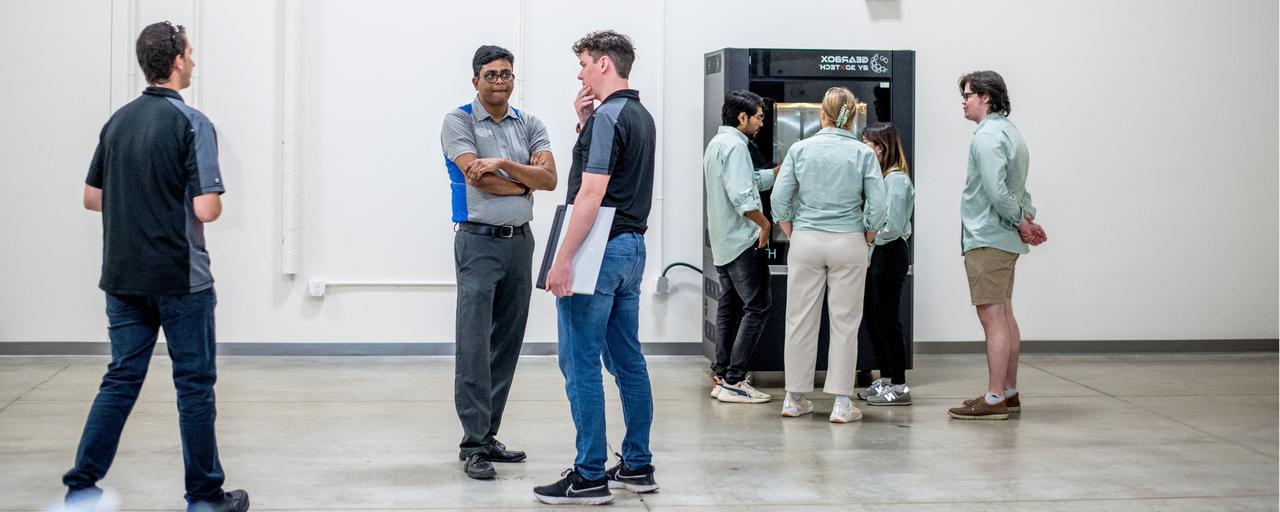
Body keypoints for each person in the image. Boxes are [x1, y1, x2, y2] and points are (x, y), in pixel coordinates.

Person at [63, 21, 249, 512]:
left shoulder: (118, 121)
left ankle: (81, 483)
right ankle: (205, 496)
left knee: (121, 377)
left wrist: (140, 200)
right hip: (180, 278)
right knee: (193, 385)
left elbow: (91, 197)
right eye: (191, 53)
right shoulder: (192, 122)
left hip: (123, 275)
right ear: (177, 61)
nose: (194, 60)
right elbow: (207, 209)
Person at [534, 30, 658, 506]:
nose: (581, 73)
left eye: (584, 64)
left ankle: (588, 476)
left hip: (599, 253)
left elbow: (592, 192)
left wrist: (562, 260)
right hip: (631, 250)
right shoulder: (638, 114)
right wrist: (583, 124)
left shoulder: (610, 116)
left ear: (604, 64)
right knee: (628, 361)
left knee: (580, 362)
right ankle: (637, 464)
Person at [440, 45, 557, 479]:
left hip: (519, 244)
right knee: (474, 344)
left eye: (506, 74)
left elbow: (549, 179)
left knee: (506, 342)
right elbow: (478, 176)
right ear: (475, 81)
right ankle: (472, 444)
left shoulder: (530, 123)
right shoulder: (459, 121)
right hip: (477, 243)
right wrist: (524, 183)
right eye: (490, 74)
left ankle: (489, 436)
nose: (500, 81)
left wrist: (508, 167)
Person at [770, 87, 886, 424]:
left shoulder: (800, 149)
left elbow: (780, 198)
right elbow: (878, 205)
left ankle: (793, 397)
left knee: (799, 319)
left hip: (806, 240)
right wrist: (868, 232)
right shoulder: (863, 154)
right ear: (853, 117)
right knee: (845, 323)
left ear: (823, 114)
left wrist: (792, 230)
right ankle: (840, 403)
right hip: (849, 241)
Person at [946, 70, 1047, 421]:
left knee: (992, 317)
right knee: (1004, 314)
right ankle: (1008, 391)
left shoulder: (986, 138)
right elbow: (1019, 189)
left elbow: (996, 189)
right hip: (1002, 237)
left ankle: (993, 398)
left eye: (968, 94)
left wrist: (1021, 221)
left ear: (986, 97)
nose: (964, 100)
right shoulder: (1011, 134)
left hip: (987, 235)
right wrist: (1027, 218)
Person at [703, 90, 777, 404]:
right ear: (742, 117)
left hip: (723, 242)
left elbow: (745, 181)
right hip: (742, 241)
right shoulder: (735, 146)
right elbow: (743, 198)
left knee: (729, 309)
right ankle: (735, 379)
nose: (762, 123)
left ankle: (721, 375)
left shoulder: (718, 144)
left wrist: (775, 173)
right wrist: (765, 224)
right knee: (758, 307)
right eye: (759, 116)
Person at [857, 123, 915, 406]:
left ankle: (899, 384)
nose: (863, 147)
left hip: (889, 253)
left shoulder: (896, 180)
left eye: (867, 142)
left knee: (888, 319)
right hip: (876, 254)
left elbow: (890, 226)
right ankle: (886, 378)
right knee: (875, 317)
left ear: (881, 147)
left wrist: (866, 237)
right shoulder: (881, 178)